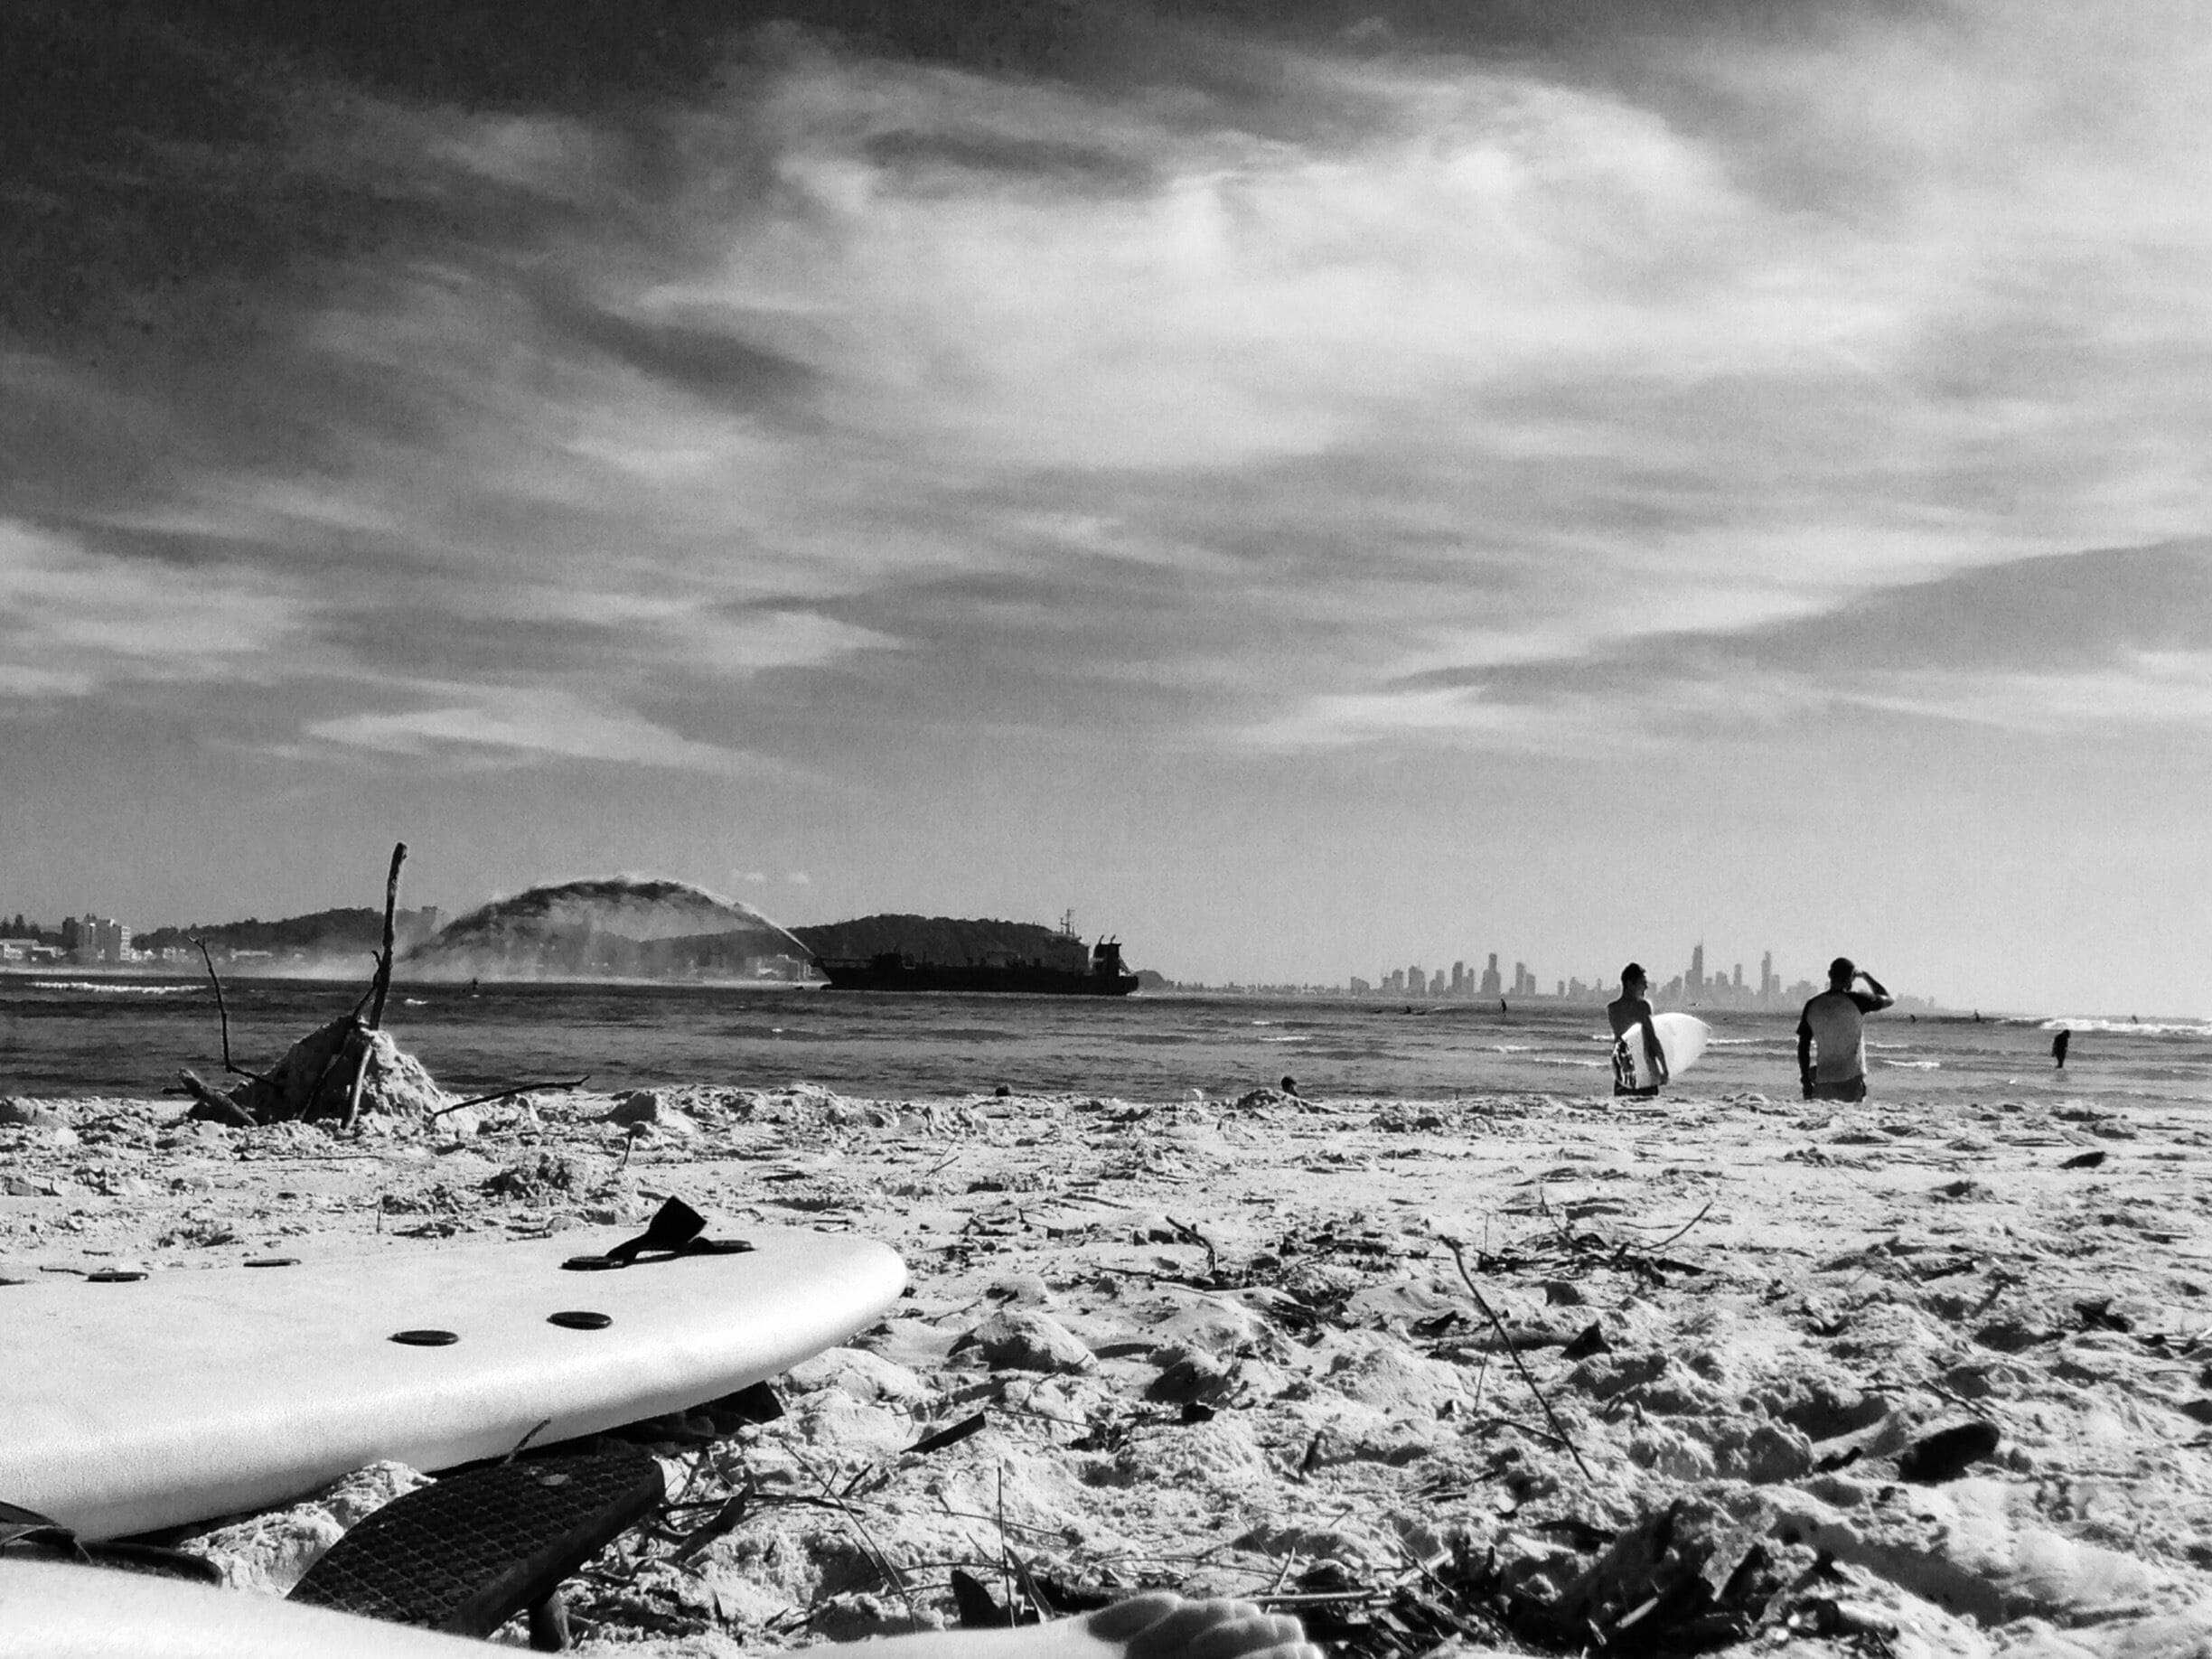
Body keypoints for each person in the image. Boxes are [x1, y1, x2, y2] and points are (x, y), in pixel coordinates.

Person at [1797, 958, 1894, 1101]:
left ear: (1829, 974)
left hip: (1823, 1079)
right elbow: (1888, 999)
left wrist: (1805, 1081)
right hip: (1851, 1078)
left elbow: (1803, 1046)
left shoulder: (1812, 1005)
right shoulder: (1858, 1000)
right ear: (1851, 978)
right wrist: (1866, 976)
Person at [1607, 962, 1668, 1098]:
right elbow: (1652, 1039)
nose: (1646, 987)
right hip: (1645, 1071)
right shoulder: (1642, 1006)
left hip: (1623, 1072)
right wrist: (1664, 1069)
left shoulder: (1612, 1009)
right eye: (1642, 983)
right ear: (1630, 984)